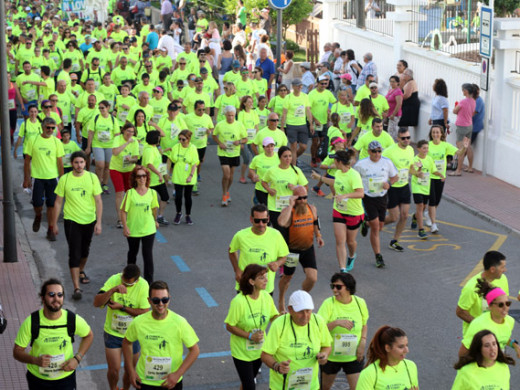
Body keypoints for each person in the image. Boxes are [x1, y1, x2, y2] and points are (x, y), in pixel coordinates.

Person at [13, 279, 94, 390]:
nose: (56, 299)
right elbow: (17, 352)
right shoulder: (31, 322)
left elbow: (89, 335)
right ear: (43, 298)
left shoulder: (71, 319)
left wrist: (77, 358)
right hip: (38, 380)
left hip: (65, 379)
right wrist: (35, 360)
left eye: (60, 295)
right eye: (51, 294)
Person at [122, 280, 200, 389]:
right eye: (156, 300)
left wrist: (177, 374)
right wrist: (130, 371)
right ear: (149, 301)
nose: (161, 304)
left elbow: (195, 350)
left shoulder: (179, 322)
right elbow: (126, 343)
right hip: (145, 382)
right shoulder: (139, 322)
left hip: (171, 382)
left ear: (169, 298)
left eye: (165, 300)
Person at [52, 151, 102, 300]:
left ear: (86, 163)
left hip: (89, 220)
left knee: (84, 251)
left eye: (81, 162)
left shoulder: (92, 178)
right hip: (71, 220)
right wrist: (54, 223)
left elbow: (98, 201)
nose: (79, 165)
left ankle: (81, 270)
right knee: (74, 253)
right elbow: (58, 202)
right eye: (76, 162)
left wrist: (98, 222)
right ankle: (76, 288)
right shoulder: (65, 179)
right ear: (71, 163)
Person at [93, 265, 150, 390]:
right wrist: (113, 290)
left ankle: (125, 388)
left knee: (130, 371)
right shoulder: (114, 279)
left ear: (137, 280)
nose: (125, 286)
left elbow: (145, 312)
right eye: (123, 282)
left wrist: (122, 308)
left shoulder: (144, 285)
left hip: (133, 336)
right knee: (114, 370)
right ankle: (113, 388)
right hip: (113, 333)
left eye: (129, 284)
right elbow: (96, 302)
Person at [261, 290, 332, 390]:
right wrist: (277, 366)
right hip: (282, 387)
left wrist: (324, 355)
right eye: (300, 312)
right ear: (290, 309)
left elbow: (326, 345)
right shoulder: (279, 324)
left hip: (310, 386)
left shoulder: (318, 321)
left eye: (308, 311)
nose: (305, 316)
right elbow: (265, 355)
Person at [224, 264, 279, 390]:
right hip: (242, 352)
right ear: (251, 281)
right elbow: (229, 326)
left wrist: (283, 317)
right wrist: (250, 336)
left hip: (259, 349)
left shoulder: (266, 297)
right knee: (250, 386)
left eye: (266, 277)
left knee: (247, 383)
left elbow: (273, 316)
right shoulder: (238, 302)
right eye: (262, 278)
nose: (267, 280)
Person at [311, 150, 364, 272]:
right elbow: (335, 182)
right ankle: (343, 268)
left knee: (350, 242)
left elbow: (360, 193)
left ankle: (351, 256)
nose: (333, 161)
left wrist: (345, 196)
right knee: (340, 240)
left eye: (335, 159)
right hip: (339, 210)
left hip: (354, 212)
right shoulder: (339, 172)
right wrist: (320, 178)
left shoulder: (354, 175)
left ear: (339, 162)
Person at [318, 273, 369, 390]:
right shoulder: (328, 304)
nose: (334, 290)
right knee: (325, 388)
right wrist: (336, 323)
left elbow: (364, 324)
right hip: (331, 357)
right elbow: (318, 329)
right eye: (333, 286)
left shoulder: (360, 303)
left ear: (349, 288)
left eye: (338, 287)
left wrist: (363, 342)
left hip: (353, 356)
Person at [277, 186, 324, 312]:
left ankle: (300, 297)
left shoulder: (311, 208)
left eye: (305, 197)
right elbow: (281, 222)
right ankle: (281, 299)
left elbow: (315, 222)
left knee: (312, 278)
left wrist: (318, 236)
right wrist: (290, 205)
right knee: (287, 277)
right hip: (292, 251)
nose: (303, 201)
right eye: (299, 198)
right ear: (294, 198)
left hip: (307, 249)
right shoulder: (289, 211)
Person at [354, 140, 398, 268]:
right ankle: (378, 256)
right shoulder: (361, 164)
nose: (377, 154)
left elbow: (395, 177)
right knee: (375, 227)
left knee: (380, 226)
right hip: (368, 198)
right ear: (369, 152)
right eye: (374, 151)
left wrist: (389, 184)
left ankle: (365, 223)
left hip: (382, 197)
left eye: (379, 151)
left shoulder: (386, 162)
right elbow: (354, 178)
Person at [229, 204, 289, 296]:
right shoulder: (241, 236)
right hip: (246, 285)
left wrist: (277, 263)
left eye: (264, 221)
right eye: (257, 221)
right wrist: (237, 270)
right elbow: (231, 251)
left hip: (266, 287)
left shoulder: (276, 235)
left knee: (265, 311)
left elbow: (284, 256)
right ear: (251, 219)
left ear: (268, 219)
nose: (261, 224)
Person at [23, 117, 64, 241]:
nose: (50, 130)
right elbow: (26, 161)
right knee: (37, 204)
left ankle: (50, 229)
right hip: (37, 177)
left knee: (51, 204)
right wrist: (26, 179)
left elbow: (60, 163)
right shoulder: (33, 140)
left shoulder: (57, 142)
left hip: (52, 178)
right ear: (42, 127)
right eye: (48, 127)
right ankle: (38, 215)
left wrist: (62, 180)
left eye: (53, 128)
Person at [459, 278, 520, 358]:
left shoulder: (510, 321)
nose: (505, 308)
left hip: (499, 363)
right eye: (500, 305)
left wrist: (515, 346)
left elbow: (502, 337)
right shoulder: (479, 324)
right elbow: (463, 353)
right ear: (490, 306)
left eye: (508, 303)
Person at [456, 251, 509, 337]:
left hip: (496, 334)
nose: (505, 270)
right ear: (492, 269)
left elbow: (504, 303)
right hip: (476, 337)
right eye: (502, 267)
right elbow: (460, 311)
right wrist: (481, 326)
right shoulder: (471, 287)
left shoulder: (503, 279)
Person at [121, 166, 159, 284]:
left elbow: (154, 209)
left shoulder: (152, 193)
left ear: (147, 177)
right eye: (139, 176)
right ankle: (130, 278)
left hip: (148, 229)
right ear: (135, 179)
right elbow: (123, 211)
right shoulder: (130, 193)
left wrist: (155, 220)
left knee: (148, 255)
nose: (142, 178)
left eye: (144, 176)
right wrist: (125, 226)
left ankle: (149, 282)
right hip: (133, 229)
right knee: (132, 253)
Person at [262, 146, 308, 237]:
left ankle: (287, 250)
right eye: (285, 156)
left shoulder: (296, 170)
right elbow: (264, 182)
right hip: (275, 207)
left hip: (291, 207)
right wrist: (269, 190)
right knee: (279, 233)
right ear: (280, 158)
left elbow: (305, 187)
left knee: (290, 233)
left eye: (290, 156)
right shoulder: (272, 170)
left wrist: (296, 187)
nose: (288, 159)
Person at [383, 128, 416, 252]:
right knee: (393, 217)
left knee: (405, 215)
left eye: (408, 138)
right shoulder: (389, 151)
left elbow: (410, 168)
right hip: (392, 188)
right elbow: (380, 164)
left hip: (404, 186)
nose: (406, 140)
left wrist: (417, 173)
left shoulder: (411, 150)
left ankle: (395, 240)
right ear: (398, 139)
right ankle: (372, 224)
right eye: (403, 138)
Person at [212, 105, 248, 207]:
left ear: (235, 115)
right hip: (223, 152)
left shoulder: (239, 125)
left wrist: (240, 142)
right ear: (225, 115)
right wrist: (219, 143)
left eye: (232, 115)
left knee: (231, 176)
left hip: (235, 153)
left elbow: (246, 139)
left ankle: (227, 191)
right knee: (226, 175)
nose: (230, 118)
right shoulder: (220, 125)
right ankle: (224, 195)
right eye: (228, 115)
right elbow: (214, 135)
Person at [426, 125, 458, 234]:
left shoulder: (445, 146)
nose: (435, 134)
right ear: (431, 134)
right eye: (433, 132)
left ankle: (427, 214)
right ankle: (433, 224)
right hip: (429, 176)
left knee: (438, 200)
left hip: (441, 177)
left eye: (437, 132)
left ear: (441, 134)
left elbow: (459, 153)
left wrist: (465, 147)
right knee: (432, 200)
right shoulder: (428, 146)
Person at [87, 100, 121, 194]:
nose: (101, 109)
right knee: (100, 165)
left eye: (103, 107)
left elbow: (117, 134)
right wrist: (88, 146)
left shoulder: (113, 119)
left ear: (108, 108)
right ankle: (97, 183)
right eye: (99, 108)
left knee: (107, 166)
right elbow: (91, 132)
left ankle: (104, 184)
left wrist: (117, 147)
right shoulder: (96, 118)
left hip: (110, 145)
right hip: (97, 144)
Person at [110, 123, 140, 228]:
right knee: (120, 192)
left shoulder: (135, 141)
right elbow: (115, 152)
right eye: (128, 131)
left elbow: (136, 158)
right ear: (123, 131)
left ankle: (129, 215)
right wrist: (126, 143)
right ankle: (120, 219)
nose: (130, 134)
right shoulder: (118, 139)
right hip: (115, 169)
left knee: (129, 193)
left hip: (129, 169)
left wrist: (131, 160)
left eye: (132, 132)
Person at [168, 130, 199, 225]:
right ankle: (178, 213)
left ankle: (188, 215)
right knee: (178, 196)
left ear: (189, 139)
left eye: (183, 139)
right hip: (178, 175)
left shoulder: (193, 148)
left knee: (187, 196)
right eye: (179, 139)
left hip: (189, 175)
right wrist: (167, 173)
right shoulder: (176, 147)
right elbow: (170, 159)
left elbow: (195, 163)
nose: (181, 141)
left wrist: (190, 176)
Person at [280, 79, 313, 165]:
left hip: (302, 124)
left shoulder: (305, 96)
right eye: (298, 86)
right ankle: (294, 168)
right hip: (291, 125)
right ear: (293, 87)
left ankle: (291, 159)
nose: (300, 87)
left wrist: (311, 124)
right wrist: (282, 128)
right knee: (293, 146)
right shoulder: (288, 97)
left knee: (303, 146)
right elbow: (284, 113)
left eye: (301, 85)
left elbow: (308, 110)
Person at [142, 130, 170, 225]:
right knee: (149, 201)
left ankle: (160, 216)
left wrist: (164, 175)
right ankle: (149, 218)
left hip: (159, 180)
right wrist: (158, 173)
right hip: (150, 181)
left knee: (165, 197)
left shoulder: (155, 148)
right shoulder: (149, 150)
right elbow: (149, 164)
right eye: (158, 137)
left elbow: (158, 161)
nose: (160, 138)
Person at [309, 75, 337, 167]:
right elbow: (308, 109)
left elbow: (335, 103)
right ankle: (313, 158)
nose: (324, 85)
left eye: (325, 83)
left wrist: (331, 111)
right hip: (314, 122)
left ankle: (317, 154)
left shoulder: (328, 93)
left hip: (324, 122)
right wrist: (314, 120)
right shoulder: (312, 94)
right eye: (322, 84)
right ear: (317, 84)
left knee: (323, 141)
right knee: (315, 141)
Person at [449, 83, 477, 176]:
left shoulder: (463, 101)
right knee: (467, 147)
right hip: (469, 125)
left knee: (461, 149)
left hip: (462, 126)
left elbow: (454, 111)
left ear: (466, 91)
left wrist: (456, 107)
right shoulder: (473, 101)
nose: (462, 91)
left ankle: (458, 170)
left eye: (463, 90)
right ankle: (469, 167)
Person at [249, 137, 280, 205]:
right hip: (261, 189)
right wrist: (254, 175)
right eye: (267, 146)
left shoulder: (279, 158)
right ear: (263, 147)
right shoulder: (258, 158)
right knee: (265, 209)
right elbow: (251, 168)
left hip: (275, 189)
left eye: (272, 146)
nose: (270, 148)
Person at [385, 76, 403, 141]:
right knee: (389, 130)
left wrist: (393, 114)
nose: (392, 83)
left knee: (392, 131)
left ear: (398, 83)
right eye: (391, 81)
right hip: (389, 114)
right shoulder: (391, 90)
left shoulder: (398, 91)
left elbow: (399, 104)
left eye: (394, 82)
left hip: (395, 115)